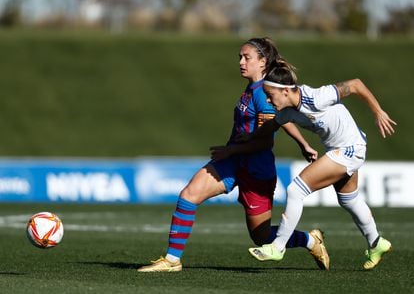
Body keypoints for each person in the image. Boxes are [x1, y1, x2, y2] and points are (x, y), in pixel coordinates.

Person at [137, 38, 330, 272]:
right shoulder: (254, 89)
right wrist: (302, 143)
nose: (240, 62)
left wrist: (232, 149)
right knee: (189, 195)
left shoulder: (263, 94)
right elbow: (280, 119)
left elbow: (265, 139)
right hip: (232, 161)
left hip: (257, 168)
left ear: (262, 62)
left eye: (246, 57)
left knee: (261, 237)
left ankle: (311, 241)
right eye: (240, 57)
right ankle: (172, 260)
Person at [247, 64, 396, 270]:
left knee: (296, 190)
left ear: (286, 90)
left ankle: (278, 247)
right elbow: (270, 127)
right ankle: (376, 242)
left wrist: (378, 111)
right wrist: (242, 142)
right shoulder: (287, 113)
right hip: (342, 149)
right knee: (349, 200)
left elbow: (355, 85)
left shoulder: (317, 97)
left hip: (350, 148)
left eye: (271, 95)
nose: (269, 101)